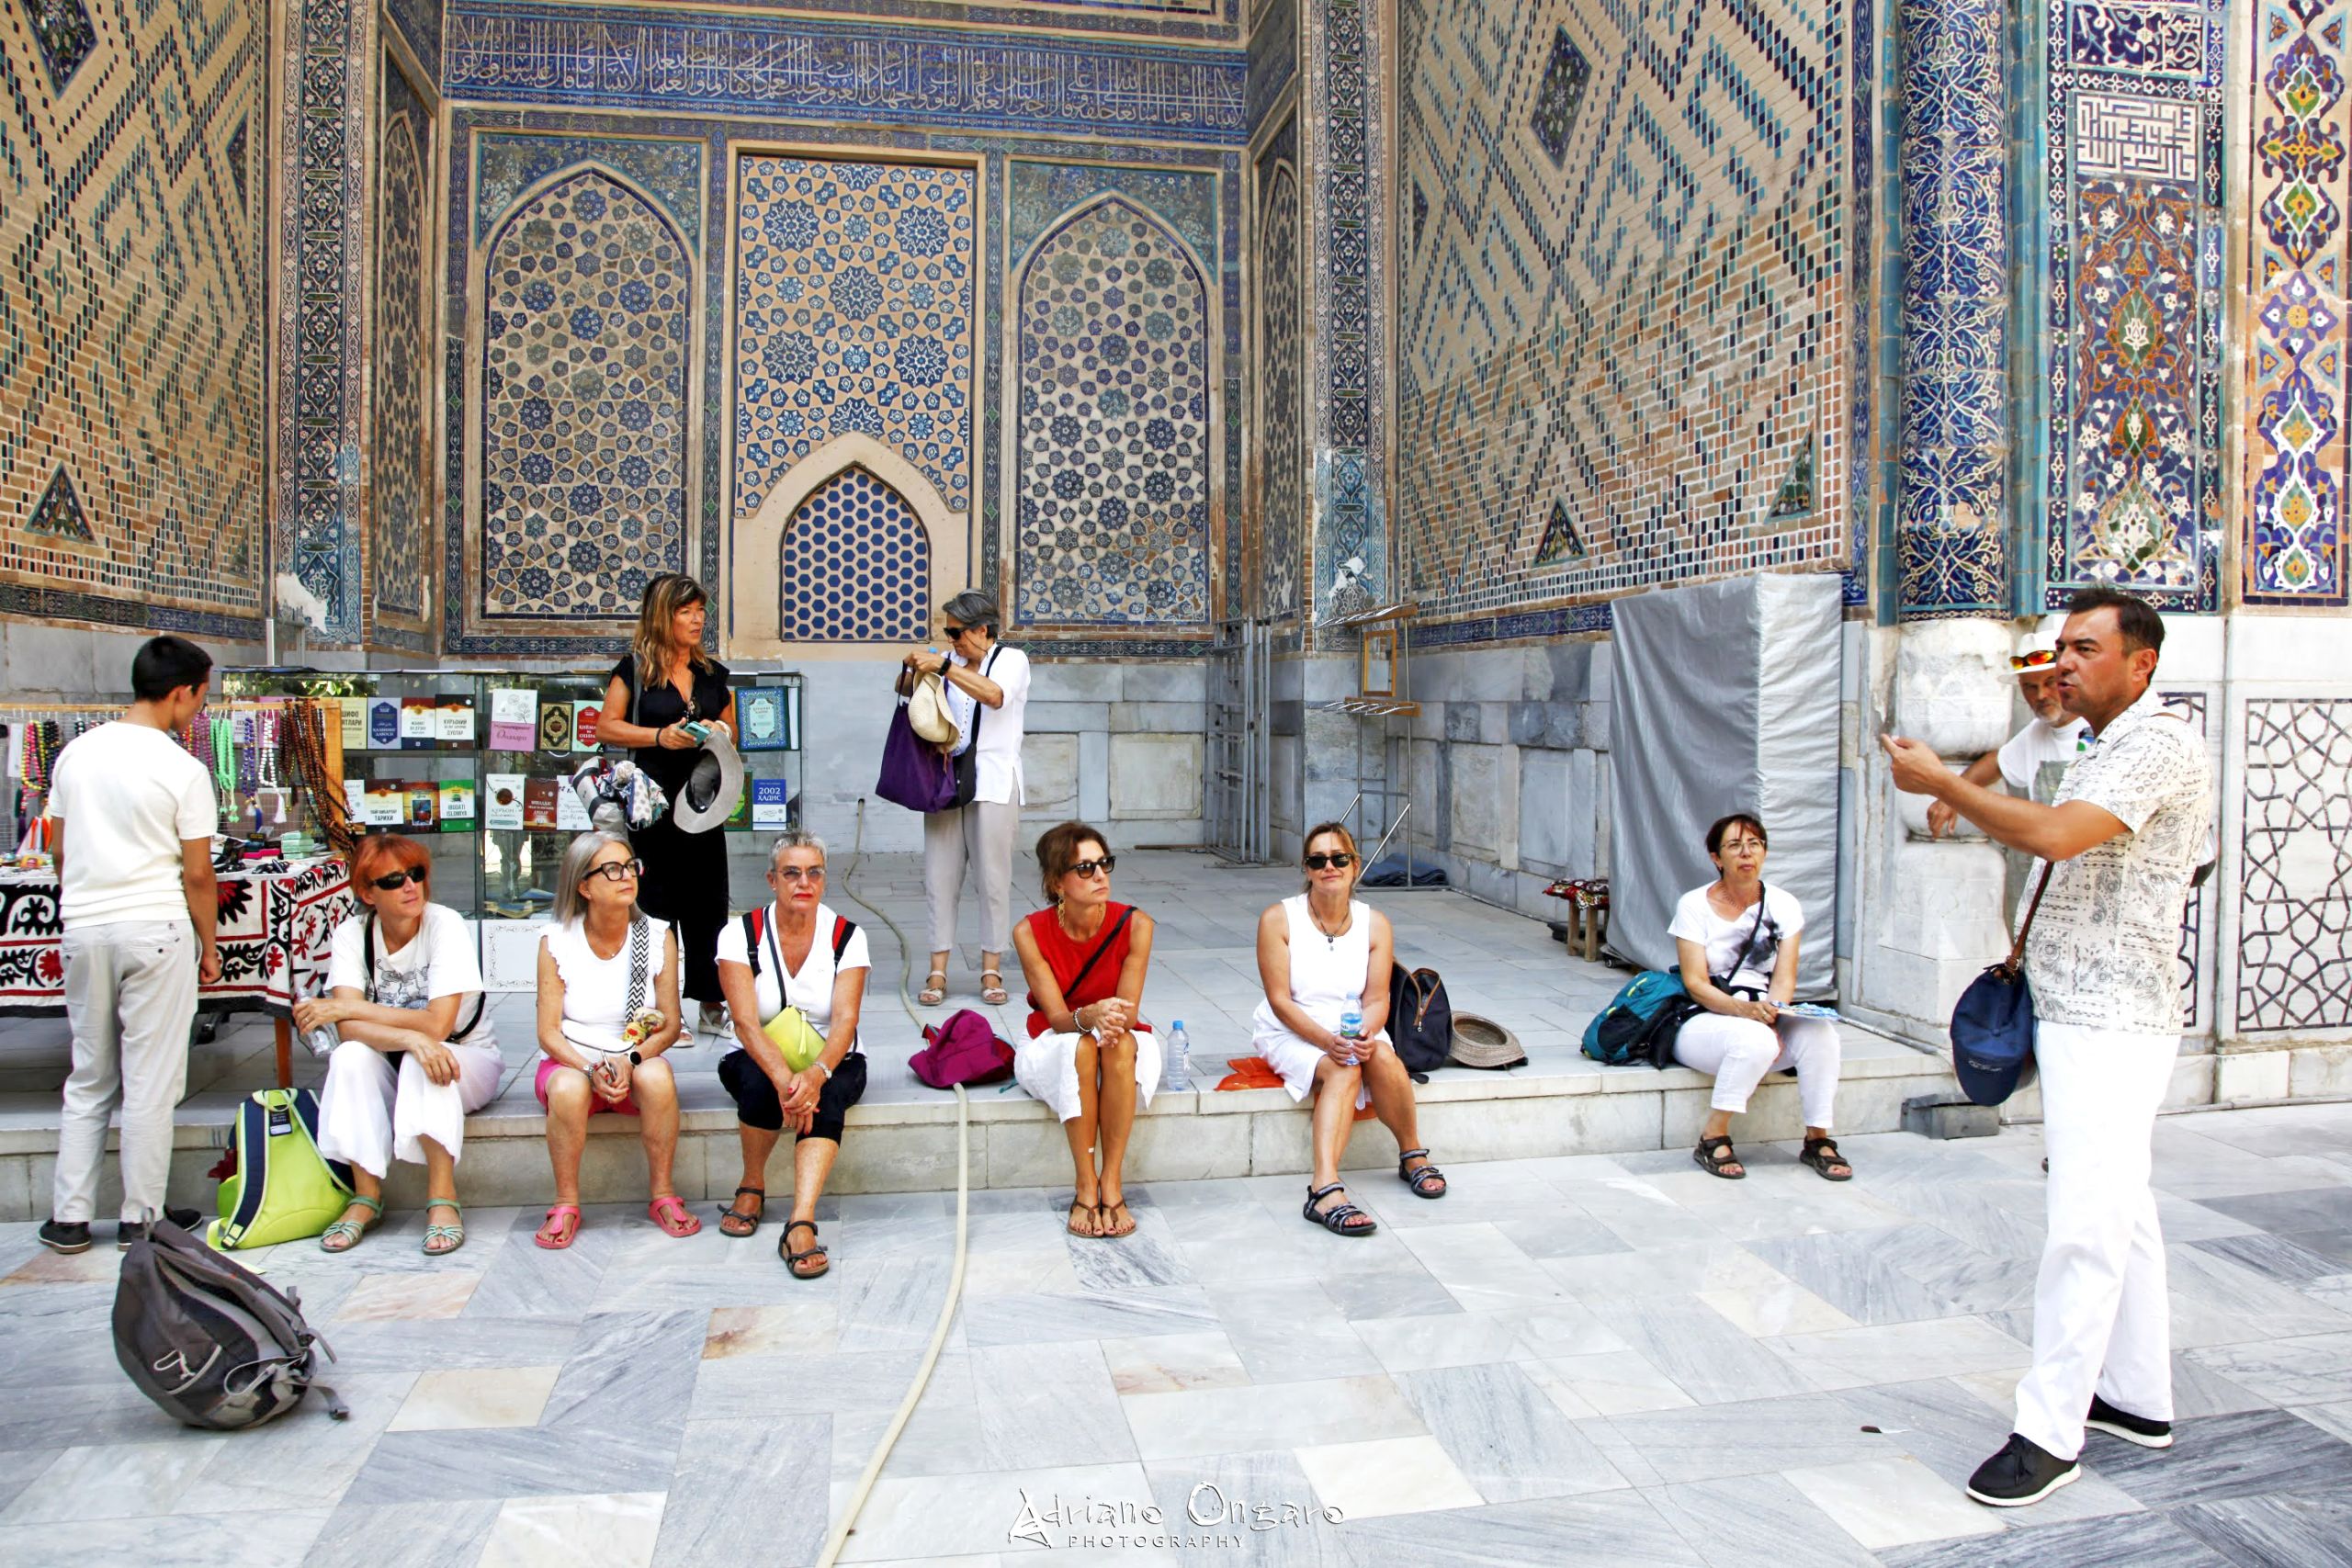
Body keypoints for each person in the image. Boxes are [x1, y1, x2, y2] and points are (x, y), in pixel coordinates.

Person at [1886, 585, 2210, 1508]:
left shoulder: (2158, 743)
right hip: (2076, 1005)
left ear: (2140, 664)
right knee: (2122, 1209)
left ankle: (2049, 1430)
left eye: (2084, 649)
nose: (2062, 662)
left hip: (2113, 1017)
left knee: (2084, 1226)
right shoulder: (2100, 741)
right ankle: (2137, 1398)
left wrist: (1946, 785)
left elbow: (2060, 837)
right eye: (2061, 646)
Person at [37, 636, 220, 1254]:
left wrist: (85, 900)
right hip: (154, 929)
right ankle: (141, 1217)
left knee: (89, 1073)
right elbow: (198, 873)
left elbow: (59, 849)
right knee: (151, 1080)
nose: (200, 708)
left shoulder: (76, 754)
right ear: (180, 692)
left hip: (84, 926)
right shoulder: (183, 769)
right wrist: (210, 945)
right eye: (201, 696)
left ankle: (70, 1216)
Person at [301, 834, 503, 1256]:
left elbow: (438, 1024)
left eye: (416, 874)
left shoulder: (445, 924)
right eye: (393, 880)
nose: (410, 886)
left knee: (424, 1058)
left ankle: (442, 1198)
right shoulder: (352, 934)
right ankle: (366, 1195)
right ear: (367, 893)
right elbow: (349, 1030)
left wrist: (351, 1009)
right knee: (350, 1056)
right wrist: (409, 1036)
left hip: (468, 1059)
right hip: (395, 1058)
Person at [1252, 822, 1446, 1237]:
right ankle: (1323, 1190)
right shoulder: (1278, 919)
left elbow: (1377, 999)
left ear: (1355, 865)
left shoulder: (1375, 923)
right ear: (1306, 868)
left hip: (1354, 1024)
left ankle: (1412, 1153)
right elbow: (1280, 1000)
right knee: (1343, 1070)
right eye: (1318, 860)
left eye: (1339, 858)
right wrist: (1327, 1042)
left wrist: (1364, 1036)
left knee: (1384, 1058)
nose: (1329, 867)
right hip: (1291, 1027)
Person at [711, 831, 870, 1279]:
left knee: (828, 1095)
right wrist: (787, 1080)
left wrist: (815, 1076)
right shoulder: (739, 934)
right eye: (792, 873)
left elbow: (845, 1021)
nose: (804, 882)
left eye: (814, 873)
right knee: (760, 1083)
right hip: (756, 1051)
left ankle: (800, 1222)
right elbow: (745, 1023)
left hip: (830, 1057)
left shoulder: (847, 936)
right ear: (772, 880)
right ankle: (752, 1184)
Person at [531, 830, 698, 1247]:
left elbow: (670, 1024)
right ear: (583, 886)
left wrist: (631, 1060)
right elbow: (548, 1032)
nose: (626, 876)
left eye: (629, 866)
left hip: (633, 1058)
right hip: (573, 1061)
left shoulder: (656, 935)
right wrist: (589, 1068)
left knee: (658, 1078)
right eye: (611, 869)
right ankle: (565, 1202)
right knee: (568, 1089)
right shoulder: (557, 940)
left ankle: (663, 1194)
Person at [1668, 814, 1849, 1181]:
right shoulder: (1693, 905)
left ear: (1764, 852)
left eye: (1754, 844)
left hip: (1763, 1014)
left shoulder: (1784, 904)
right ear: (1716, 857)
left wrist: (1773, 1016)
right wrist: (1747, 1012)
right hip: (1704, 1018)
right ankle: (1712, 1136)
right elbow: (1695, 982)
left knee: (1821, 1034)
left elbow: (1784, 978)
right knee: (1755, 1039)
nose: (1746, 853)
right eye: (1734, 845)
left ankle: (1818, 1138)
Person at [1011, 822, 1160, 1239]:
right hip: (1054, 1037)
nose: (1099, 875)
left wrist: (1106, 1023)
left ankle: (1111, 1181)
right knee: (1080, 1048)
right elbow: (1058, 1018)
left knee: (1119, 1044)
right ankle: (1084, 1183)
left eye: (1103, 863)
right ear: (1056, 883)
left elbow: (1127, 1011)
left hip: (1118, 1033)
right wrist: (1090, 1017)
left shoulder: (1136, 924)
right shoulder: (1028, 933)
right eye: (1084, 868)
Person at [600, 574, 735, 1032]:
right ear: (662, 616)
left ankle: (712, 1002)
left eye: (700, 611)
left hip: (702, 803)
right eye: (685, 612)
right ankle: (663, 1009)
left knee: (708, 904)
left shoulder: (712, 674)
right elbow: (607, 727)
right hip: (651, 806)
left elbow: (732, 730)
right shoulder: (634, 670)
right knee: (656, 905)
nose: (697, 620)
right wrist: (659, 736)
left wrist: (720, 730)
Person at [903, 591, 1031, 1009]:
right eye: (948, 632)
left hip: (993, 781)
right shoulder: (949, 661)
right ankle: (937, 969)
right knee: (939, 876)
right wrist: (912, 670)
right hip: (944, 778)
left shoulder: (1011, 660)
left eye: (957, 632)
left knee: (992, 879)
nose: (952, 640)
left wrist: (944, 667)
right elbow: (911, 696)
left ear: (982, 630)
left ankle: (991, 969)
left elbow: (994, 696)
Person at [1927, 617, 2090, 837]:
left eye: (2049, 683)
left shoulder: (2101, 728)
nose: (2041, 695)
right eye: (2030, 687)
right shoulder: (2037, 732)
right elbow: (1997, 763)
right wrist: (1950, 797)